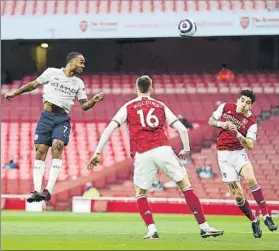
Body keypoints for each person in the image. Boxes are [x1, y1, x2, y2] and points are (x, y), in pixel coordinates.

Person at [87, 75, 224, 239]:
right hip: (162, 149)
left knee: (141, 193)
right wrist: (186, 149)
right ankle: (204, 226)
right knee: (185, 186)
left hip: (142, 152)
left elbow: (110, 128)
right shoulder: (160, 105)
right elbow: (181, 128)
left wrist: (97, 153)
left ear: (136, 88)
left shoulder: (128, 106)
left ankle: (152, 230)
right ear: (151, 88)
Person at [5, 52, 104, 203]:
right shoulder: (52, 72)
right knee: (40, 151)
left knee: (57, 146)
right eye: (81, 62)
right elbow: (33, 84)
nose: (83, 66)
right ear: (71, 62)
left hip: (62, 119)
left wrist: (94, 101)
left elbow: (84, 106)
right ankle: (37, 190)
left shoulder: (78, 83)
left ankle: (48, 190)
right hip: (46, 117)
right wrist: (15, 93)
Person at [208, 89, 278, 238]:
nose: (244, 104)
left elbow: (250, 145)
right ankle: (254, 220)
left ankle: (266, 216)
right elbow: (211, 121)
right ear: (238, 100)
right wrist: (222, 124)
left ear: (251, 106)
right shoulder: (225, 107)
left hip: (238, 154)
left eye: (248, 103)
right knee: (238, 196)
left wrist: (238, 134)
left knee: (251, 179)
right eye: (242, 100)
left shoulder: (252, 122)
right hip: (223, 155)